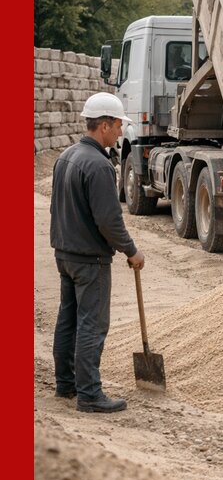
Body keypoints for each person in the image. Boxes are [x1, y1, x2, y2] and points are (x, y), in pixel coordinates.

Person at [50, 92, 145, 413]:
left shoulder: (66, 156)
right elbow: (109, 221)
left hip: (65, 252)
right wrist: (131, 251)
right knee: (92, 324)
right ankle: (90, 394)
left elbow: (56, 207)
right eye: (118, 125)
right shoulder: (99, 166)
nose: (120, 132)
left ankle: (65, 385)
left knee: (68, 319)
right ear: (104, 125)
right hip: (89, 259)